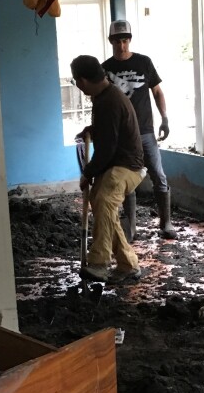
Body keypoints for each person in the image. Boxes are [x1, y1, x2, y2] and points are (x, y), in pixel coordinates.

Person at [72, 55, 145, 284]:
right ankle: (127, 264)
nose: (78, 86)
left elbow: (107, 150)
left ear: (82, 80)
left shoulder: (109, 101)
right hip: (117, 162)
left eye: (77, 81)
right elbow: (110, 129)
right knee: (103, 208)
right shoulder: (104, 96)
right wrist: (92, 129)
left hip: (127, 166)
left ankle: (99, 263)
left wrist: (88, 173)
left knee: (103, 199)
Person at [102, 19, 177, 241]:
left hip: (145, 130)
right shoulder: (105, 68)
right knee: (126, 179)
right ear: (110, 41)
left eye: (125, 40)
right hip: (121, 135)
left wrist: (164, 118)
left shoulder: (144, 62)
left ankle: (166, 223)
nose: (121, 45)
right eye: (117, 41)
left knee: (158, 175)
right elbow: (103, 102)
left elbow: (157, 92)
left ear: (130, 40)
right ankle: (131, 227)